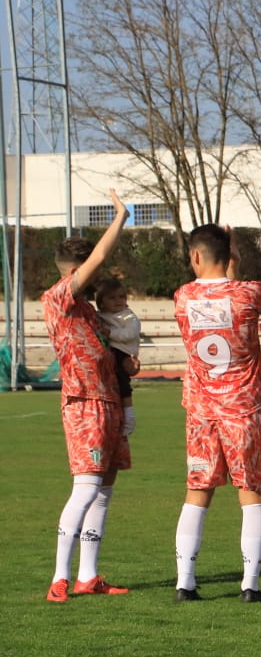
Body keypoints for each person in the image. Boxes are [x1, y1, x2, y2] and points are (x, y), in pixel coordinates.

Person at [172, 221, 261, 602]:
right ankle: (250, 585)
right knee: (251, 493)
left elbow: (217, 297)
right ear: (231, 257)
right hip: (245, 407)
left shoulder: (182, 297)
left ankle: (185, 582)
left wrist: (228, 252)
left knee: (197, 492)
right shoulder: (248, 293)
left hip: (202, 411)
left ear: (195, 256)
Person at [44, 189, 131, 602]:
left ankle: (88, 575)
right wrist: (120, 217)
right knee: (85, 487)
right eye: (88, 271)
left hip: (109, 403)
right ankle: (60, 577)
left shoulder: (91, 312)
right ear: (74, 271)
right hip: (84, 404)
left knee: (104, 489)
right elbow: (97, 260)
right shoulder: (59, 297)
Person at [95, 277, 141, 443]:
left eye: (122, 297)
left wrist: (110, 334)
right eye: (112, 297)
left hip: (123, 353)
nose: (118, 301)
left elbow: (130, 334)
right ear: (101, 302)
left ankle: (129, 413)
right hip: (110, 351)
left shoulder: (128, 317)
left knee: (122, 380)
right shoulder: (101, 315)